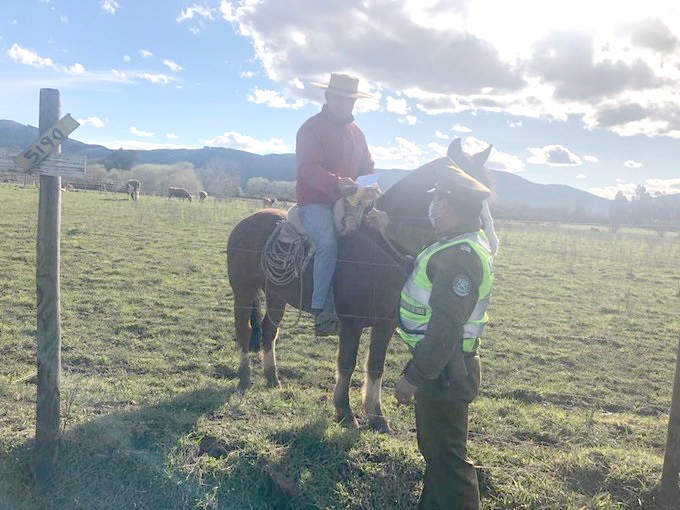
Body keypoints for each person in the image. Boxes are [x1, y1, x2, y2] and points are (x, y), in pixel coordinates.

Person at [366, 161, 494, 510]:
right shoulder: (456, 241)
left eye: (437, 200)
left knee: (448, 460)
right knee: (436, 455)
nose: (432, 206)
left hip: (445, 370)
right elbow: (425, 242)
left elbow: (444, 331)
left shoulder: (459, 257)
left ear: (449, 206)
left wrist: (413, 377)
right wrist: (388, 225)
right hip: (444, 368)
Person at [296, 72, 375, 336]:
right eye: (339, 98)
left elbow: (367, 165)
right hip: (316, 202)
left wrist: (369, 184)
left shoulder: (357, 133)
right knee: (328, 242)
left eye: (349, 100)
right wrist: (337, 183)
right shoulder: (311, 128)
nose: (344, 104)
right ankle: (320, 307)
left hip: (350, 202)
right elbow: (307, 169)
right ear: (328, 97)